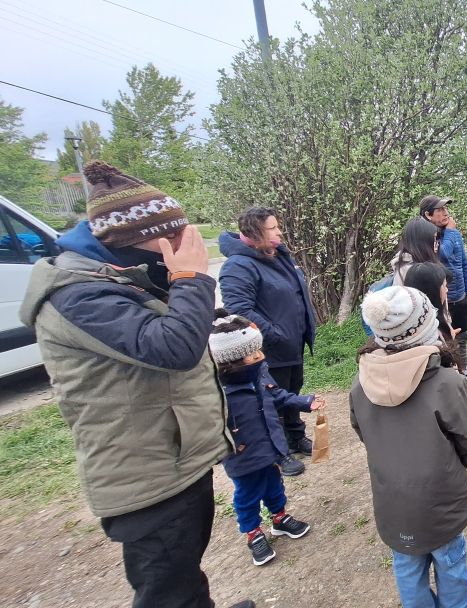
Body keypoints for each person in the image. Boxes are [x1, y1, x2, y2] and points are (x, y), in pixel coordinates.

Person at [18, 160, 251, 608]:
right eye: (173, 237)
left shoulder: (118, 276)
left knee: (184, 570)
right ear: (139, 239)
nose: (182, 244)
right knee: (167, 590)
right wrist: (190, 279)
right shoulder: (79, 293)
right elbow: (175, 349)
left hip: (172, 457)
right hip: (145, 472)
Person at [350, 286, 467, 607]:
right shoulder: (447, 383)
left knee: (407, 567)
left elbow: (363, 433)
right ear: (426, 329)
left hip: (392, 500)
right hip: (440, 499)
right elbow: (465, 441)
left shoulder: (360, 384)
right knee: (450, 563)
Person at [209, 310, 324, 566]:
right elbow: (209, 429)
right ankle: (253, 533)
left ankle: (279, 518)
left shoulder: (259, 375)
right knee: (247, 495)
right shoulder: (219, 396)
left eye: (259, 351)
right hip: (242, 456)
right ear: (233, 361)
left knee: (274, 487)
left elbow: (279, 396)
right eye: (254, 354)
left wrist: (306, 402)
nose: (261, 357)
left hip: (272, 448)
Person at [219, 207, 318, 477]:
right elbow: (239, 309)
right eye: (273, 228)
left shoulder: (277, 255)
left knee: (292, 390)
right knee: (270, 400)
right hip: (268, 349)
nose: (279, 231)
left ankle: (296, 437)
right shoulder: (238, 266)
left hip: (292, 343)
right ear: (254, 233)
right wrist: (274, 334)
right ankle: (279, 452)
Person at [420, 195, 467, 382]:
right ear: (428, 215)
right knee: (442, 336)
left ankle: (464, 368)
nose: (445, 213)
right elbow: (443, 255)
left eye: (445, 209)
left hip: (460, 295)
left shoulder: (453, 234)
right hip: (440, 298)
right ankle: (448, 374)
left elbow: (464, 262)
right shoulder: (428, 236)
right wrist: (449, 232)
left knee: (461, 335)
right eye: (440, 210)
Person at [404, 262, 464, 372]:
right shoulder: (430, 332)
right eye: (444, 286)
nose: (447, 290)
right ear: (432, 291)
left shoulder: (410, 322)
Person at [391, 218, 441, 286]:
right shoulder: (415, 272)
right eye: (435, 239)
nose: (437, 243)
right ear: (423, 242)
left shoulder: (403, 266)